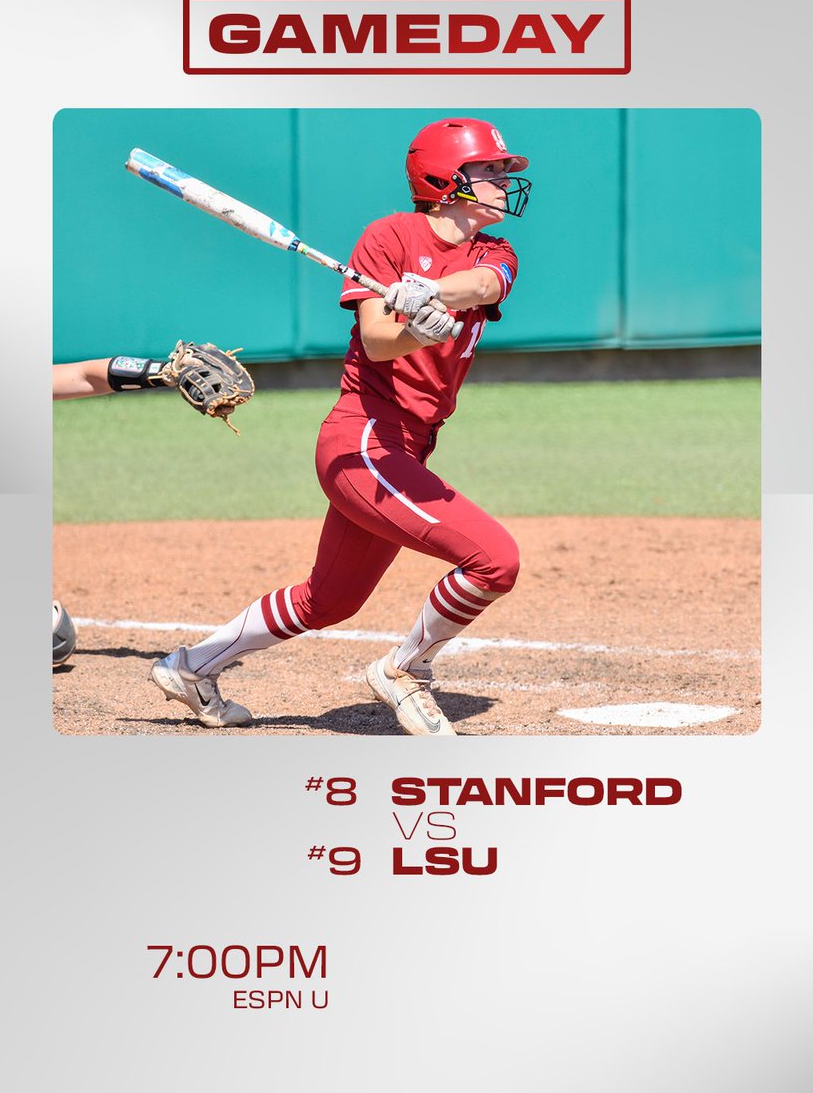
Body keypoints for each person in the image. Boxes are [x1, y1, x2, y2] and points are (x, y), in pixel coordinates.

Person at [150, 117, 532, 734]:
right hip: (363, 442)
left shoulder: (494, 251)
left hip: (410, 449)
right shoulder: (387, 236)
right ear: (445, 179)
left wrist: (428, 292)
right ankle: (406, 670)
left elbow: (485, 283)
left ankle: (191, 667)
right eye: (487, 170)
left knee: (329, 600)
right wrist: (411, 322)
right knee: (496, 560)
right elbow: (380, 343)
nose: (502, 182)